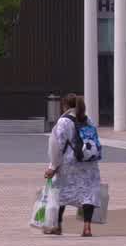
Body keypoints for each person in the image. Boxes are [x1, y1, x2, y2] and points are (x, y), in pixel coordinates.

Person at [41, 93, 102, 237]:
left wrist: (52, 166)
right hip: (88, 163)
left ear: (65, 106)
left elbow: (57, 145)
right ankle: (87, 228)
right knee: (88, 194)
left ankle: (57, 226)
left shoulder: (63, 121)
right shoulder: (87, 120)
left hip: (69, 163)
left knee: (60, 193)